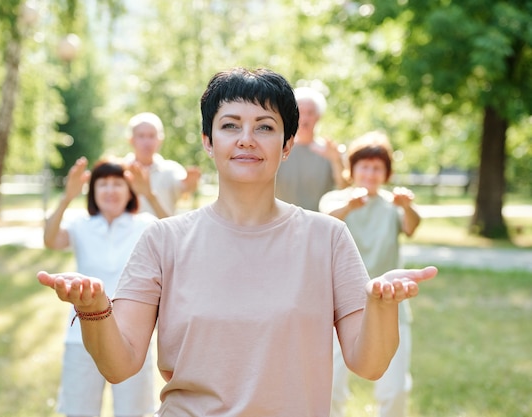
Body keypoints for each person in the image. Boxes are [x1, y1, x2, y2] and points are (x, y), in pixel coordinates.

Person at [37, 68, 437, 417]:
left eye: (265, 126)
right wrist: (94, 311)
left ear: (286, 145)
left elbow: (368, 364)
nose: (247, 139)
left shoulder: (328, 237)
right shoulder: (163, 239)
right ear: (208, 141)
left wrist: (382, 306)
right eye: (230, 125)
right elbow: (120, 364)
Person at [43, 156, 157, 417]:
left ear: (129, 190)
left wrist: (149, 192)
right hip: (81, 336)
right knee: (79, 411)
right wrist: (66, 197)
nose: (110, 190)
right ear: (93, 191)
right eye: (102, 184)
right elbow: (50, 240)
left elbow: (179, 238)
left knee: (134, 413)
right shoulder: (81, 225)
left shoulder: (145, 225)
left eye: (117, 183)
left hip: (131, 337)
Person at [319, 131, 422, 417]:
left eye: (377, 168)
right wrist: (349, 206)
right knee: (330, 385)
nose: (370, 173)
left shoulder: (392, 205)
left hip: (390, 303)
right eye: (364, 166)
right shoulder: (335, 199)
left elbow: (412, 227)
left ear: (386, 173)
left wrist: (407, 206)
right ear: (352, 170)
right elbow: (324, 225)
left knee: (395, 389)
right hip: (340, 306)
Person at [275, 86, 348, 211]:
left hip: (319, 223)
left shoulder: (329, 152)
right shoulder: (278, 149)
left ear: (318, 117)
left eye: (310, 113)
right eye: (300, 112)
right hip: (282, 223)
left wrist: (336, 161)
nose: (305, 119)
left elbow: (345, 189)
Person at [123, 112, 201, 218]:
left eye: (152, 136)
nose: (147, 142)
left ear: (160, 139)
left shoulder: (172, 170)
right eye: (141, 136)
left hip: (163, 233)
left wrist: (190, 185)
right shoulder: (120, 170)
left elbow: (184, 187)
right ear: (131, 140)